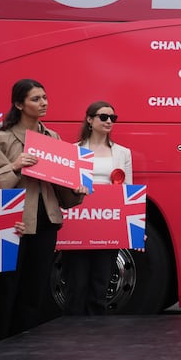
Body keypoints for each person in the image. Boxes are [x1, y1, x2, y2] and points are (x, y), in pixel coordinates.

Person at [0, 79, 86, 345]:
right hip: (11, 225)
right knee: (4, 288)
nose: (43, 103)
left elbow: (64, 196)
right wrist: (15, 166)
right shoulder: (1, 139)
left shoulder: (53, 138)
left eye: (45, 97)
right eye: (36, 99)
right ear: (19, 104)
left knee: (35, 289)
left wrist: (75, 189)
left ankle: (23, 345)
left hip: (46, 222)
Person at [61, 101, 132, 315]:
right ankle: (72, 331)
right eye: (103, 117)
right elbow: (64, 189)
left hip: (107, 224)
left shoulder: (122, 153)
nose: (109, 121)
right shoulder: (73, 150)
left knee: (101, 283)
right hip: (79, 223)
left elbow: (127, 191)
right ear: (90, 120)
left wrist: (132, 228)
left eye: (113, 117)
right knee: (76, 283)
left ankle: (96, 334)